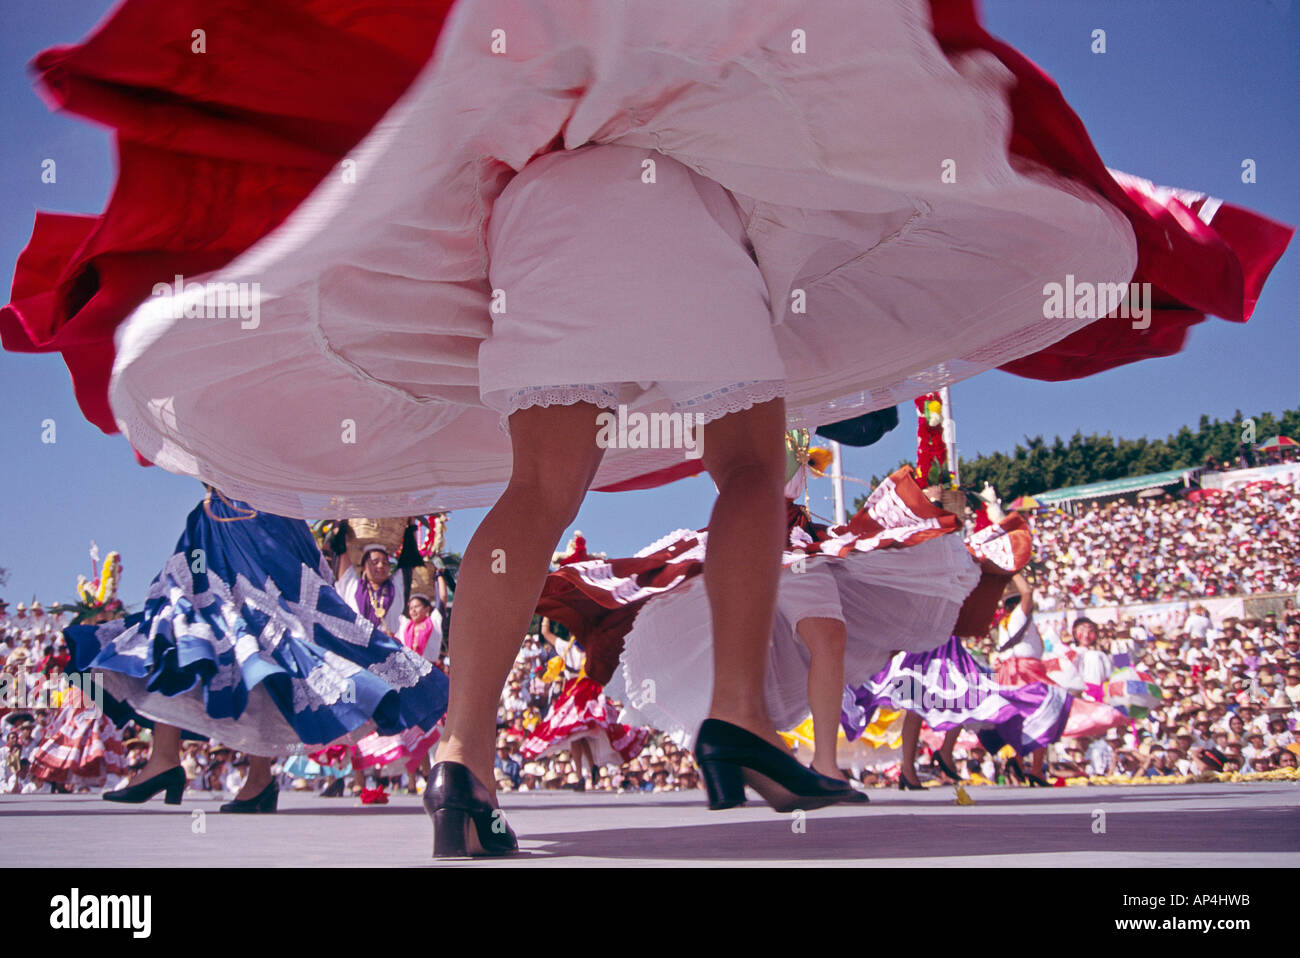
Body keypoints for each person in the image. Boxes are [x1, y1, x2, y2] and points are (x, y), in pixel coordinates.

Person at [5, 1, 1293, 860]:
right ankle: (739, 716)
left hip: (540, 217)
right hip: (667, 201)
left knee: (538, 487)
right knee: (749, 467)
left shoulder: (507, 54)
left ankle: (464, 767)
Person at [62, 487, 449, 813]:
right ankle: (174, 759)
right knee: (198, 626)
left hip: (257, 520)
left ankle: (228, 770)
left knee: (252, 635)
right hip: (224, 517)